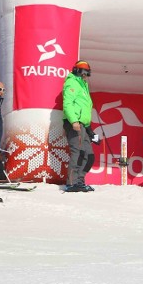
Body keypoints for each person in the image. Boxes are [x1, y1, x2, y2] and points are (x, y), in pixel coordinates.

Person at [62, 60, 98, 192]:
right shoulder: (71, 82)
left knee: (89, 155)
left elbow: (84, 109)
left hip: (83, 125)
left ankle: (80, 181)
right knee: (78, 152)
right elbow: (68, 103)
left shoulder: (83, 86)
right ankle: (71, 183)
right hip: (74, 123)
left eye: (87, 72)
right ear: (76, 70)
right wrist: (73, 121)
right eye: (82, 71)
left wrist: (89, 130)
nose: (84, 74)